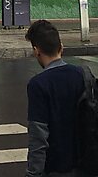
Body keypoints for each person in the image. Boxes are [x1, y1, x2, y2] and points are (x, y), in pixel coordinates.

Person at [24, 19, 85, 177]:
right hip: (84, 164)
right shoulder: (82, 75)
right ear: (61, 48)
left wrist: (33, 174)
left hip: (56, 167)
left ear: (36, 51)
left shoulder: (38, 85)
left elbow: (38, 136)